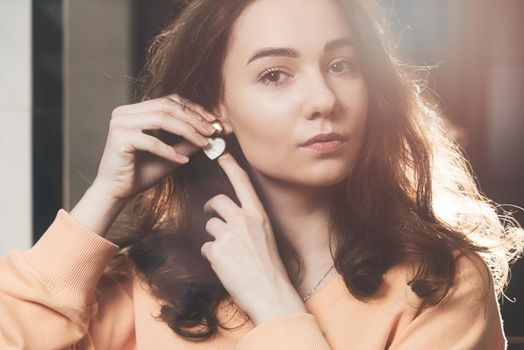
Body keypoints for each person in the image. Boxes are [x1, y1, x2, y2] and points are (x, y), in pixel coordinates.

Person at [1, 0, 523, 348]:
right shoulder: (151, 282)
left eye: (342, 65)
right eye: (275, 74)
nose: (323, 100)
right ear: (214, 105)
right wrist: (103, 197)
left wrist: (275, 305)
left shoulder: (439, 282)